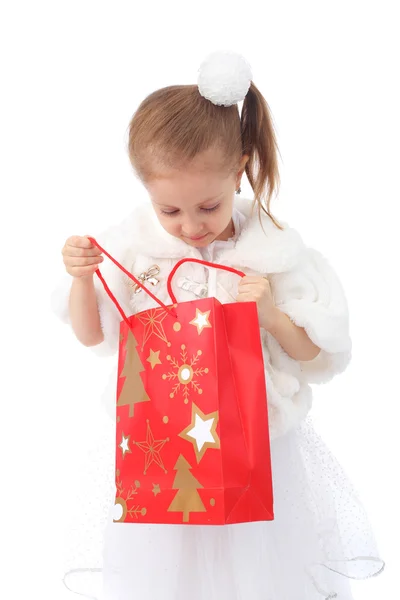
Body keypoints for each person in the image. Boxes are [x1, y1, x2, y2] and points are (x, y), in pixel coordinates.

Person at [52, 51, 384, 600]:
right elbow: (93, 337)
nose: (190, 227)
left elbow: (316, 355)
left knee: (257, 571)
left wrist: (271, 316)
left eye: (208, 206)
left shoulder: (270, 251)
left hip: (256, 448)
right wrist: (82, 278)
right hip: (165, 449)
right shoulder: (136, 250)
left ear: (239, 170)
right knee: (169, 575)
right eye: (170, 211)